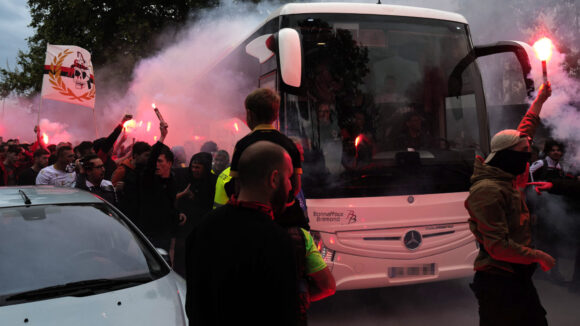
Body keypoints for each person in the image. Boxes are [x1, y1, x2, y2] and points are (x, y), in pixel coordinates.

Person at [465, 82, 554, 326]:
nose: (529, 157)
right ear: (507, 155)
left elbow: (525, 130)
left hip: (517, 274)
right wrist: (538, 256)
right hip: (497, 280)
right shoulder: (487, 191)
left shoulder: (512, 171)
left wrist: (540, 100)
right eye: (524, 152)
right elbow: (498, 247)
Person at [186, 141, 298, 325]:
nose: (290, 187)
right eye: (289, 178)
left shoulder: (202, 229)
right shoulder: (276, 240)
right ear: (274, 178)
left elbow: (194, 307)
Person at [227, 88, 307, 228]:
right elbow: (295, 187)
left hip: (251, 220)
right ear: (276, 115)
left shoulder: (242, 145)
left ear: (250, 114)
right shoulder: (289, 145)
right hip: (285, 219)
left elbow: (237, 186)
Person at [138, 122, 185, 254]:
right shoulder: (148, 179)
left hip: (165, 234)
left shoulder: (173, 181)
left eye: (160, 161)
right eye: (155, 161)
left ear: (169, 163)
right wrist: (162, 137)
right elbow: (150, 164)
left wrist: (177, 216)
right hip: (149, 234)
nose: (156, 165)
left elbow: (169, 206)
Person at [173, 151, 217, 276]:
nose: (194, 170)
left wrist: (195, 198)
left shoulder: (213, 181)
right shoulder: (183, 175)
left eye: (198, 167)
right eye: (192, 166)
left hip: (202, 224)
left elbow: (209, 203)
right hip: (184, 223)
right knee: (181, 253)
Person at [113, 141, 151, 224]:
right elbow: (112, 189)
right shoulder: (122, 170)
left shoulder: (145, 170)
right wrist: (120, 188)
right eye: (146, 155)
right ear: (136, 155)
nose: (148, 158)